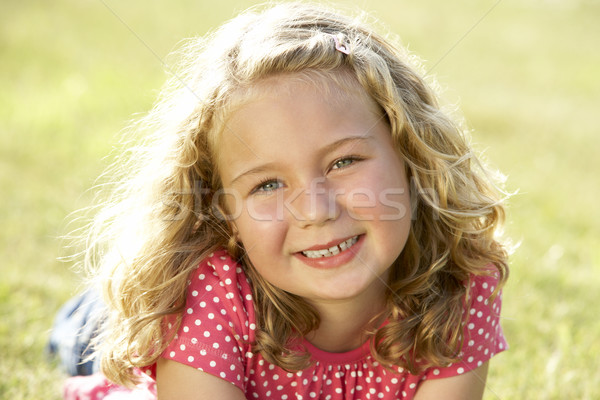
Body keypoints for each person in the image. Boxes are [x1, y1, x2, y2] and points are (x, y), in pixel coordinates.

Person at [62, 2, 510, 399]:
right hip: (163, 343)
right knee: (89, 333)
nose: (315, 210)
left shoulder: (460, 282)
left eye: (344, 161)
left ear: (410, 153)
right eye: (267, 185)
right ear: (222, 212)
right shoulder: (204, 294)